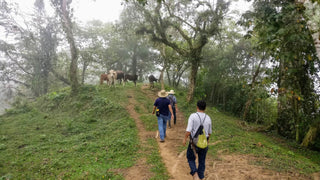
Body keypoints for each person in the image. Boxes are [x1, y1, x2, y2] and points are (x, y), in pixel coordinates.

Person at [183, 100, 212, 180]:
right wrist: (207, 140)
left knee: (190, 158)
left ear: (197, 107)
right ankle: (201, 177)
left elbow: (188, 131)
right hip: (204, 143)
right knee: (202, 161)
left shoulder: (193, 116)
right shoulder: (208, 118)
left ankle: (195, 174)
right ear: (205, 108)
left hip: (194, 143)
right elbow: (209, 133)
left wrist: (185, 139)